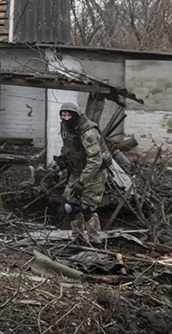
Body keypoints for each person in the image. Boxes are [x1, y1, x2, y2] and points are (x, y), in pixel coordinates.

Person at [58, 101, 111, 247]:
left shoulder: (88, 131)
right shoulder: (67, 127)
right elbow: (68, 146)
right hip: (77, 171)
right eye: (64, 115)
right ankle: (78, 240)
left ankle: (95, 243)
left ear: (76, 115)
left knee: (87, 207)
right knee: (70, 206)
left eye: (69, 115)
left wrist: (82, 182)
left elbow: (95, 160)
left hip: (94, 173)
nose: (66, 118)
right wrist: (63, 159)